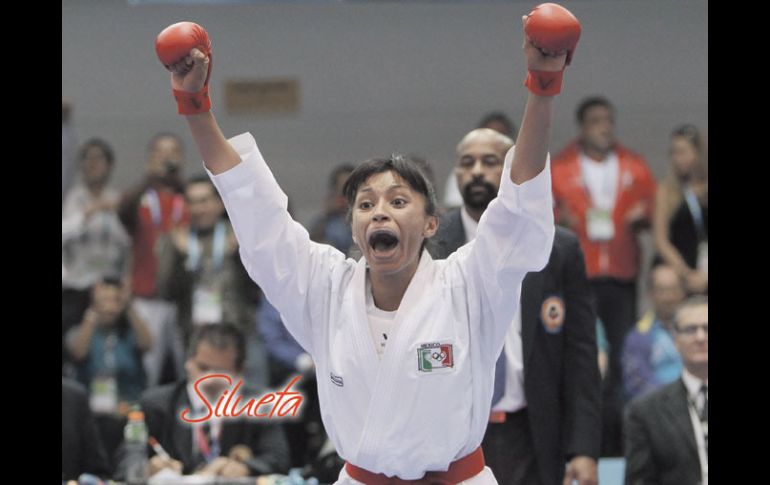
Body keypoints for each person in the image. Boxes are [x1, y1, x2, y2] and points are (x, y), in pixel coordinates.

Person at [156, 7, 576, 482]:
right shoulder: (325, 289)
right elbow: (260, 219)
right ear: (354, 228)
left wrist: (543, 85)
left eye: (399, 201)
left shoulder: (470, 282)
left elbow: (517, 209)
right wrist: (195, 105)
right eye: (365, 204)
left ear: (433, 224)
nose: (380, 211)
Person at [429, 127, 601, 485]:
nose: (476, 171)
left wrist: (583, 447)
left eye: (490, 162)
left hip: (534, 426)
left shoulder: (557, 248)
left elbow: (581, 354)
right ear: (456, 175)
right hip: (455, 431)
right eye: (466, 163)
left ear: (511, 173)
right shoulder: (431, 244)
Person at [551, 95, 657, 456]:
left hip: (622, 277)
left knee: (622, 360)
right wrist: (559, 220)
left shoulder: (634, 165)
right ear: (582, 126)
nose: (605, 126)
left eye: (609, 119)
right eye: (597, 120)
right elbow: (543, 215)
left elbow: (655, 208)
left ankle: (619, 445)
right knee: (583, 358)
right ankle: (583, 445)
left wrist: (642, 216)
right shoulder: (561, 168)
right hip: (580, 276)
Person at [117, 324, 290, 478]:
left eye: (221, 372)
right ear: (188, 362)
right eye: (203, 368)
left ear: (240, 371)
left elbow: (279, 459)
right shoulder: (154, 403)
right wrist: (148, 468)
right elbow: (127, 457)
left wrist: (246, 468)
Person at [624, 296, 708, 485]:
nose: (701, 337)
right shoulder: (645, 412)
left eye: (707, 328)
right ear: (675, 340)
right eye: (690, 329)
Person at [652, 124, 708, 295]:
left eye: (683, 152)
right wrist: (686, 273)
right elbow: (661, 240)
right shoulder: (667, 191)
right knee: (665, 280)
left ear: (698, 153)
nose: (678, 158)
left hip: (705, 267)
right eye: (674, 153)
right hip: (680, 270)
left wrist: (705, 276)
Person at [622, 263, 685, 402]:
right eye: (662, 290)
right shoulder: (638, 336)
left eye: (674, 289)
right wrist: (675, 399)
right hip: (657, 409)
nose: (669, 297)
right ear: (650, 294)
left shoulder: (700, 330)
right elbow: (636, 383)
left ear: (683, 292)